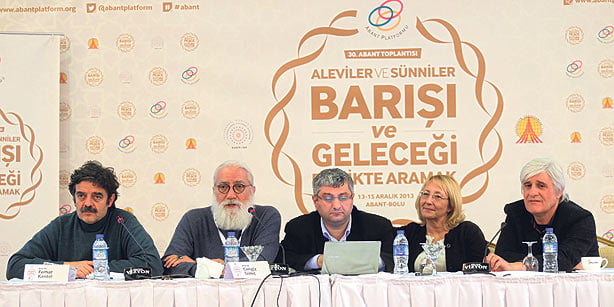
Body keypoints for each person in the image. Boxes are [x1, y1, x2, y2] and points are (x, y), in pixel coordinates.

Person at [6, 160, 163, 280]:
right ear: (74, 199)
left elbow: (152, 265)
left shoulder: (123, 221)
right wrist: (68, 268)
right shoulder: (61, 226)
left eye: (97, 196)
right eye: (81, 195)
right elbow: (15, 266)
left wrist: (96, 269)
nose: (87, 203)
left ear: (110, 200)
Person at [162, 160, 281, 276]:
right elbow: (170, 265)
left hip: (252, 295)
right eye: (223, 187)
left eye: (239, 186)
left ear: (252, 191)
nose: (231, 195)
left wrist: (207, 267)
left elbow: (262, 263)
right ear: (214, 191)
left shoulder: (265, 217)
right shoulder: (193, 219)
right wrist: (208, 268)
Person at [486, 158, 599, 272]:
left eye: (541, 186)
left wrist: (520, 266)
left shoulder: (580, 219)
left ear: (559, 191)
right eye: (528, 185)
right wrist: (550, 262)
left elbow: (565, 260)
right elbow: (503, 255)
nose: (532, 192)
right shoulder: (515, 213)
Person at [278, 168, 394, 272]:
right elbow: (283, 259)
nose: (336, 205)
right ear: (315, 201)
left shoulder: (378, 226)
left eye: (343, 197)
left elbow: (393, 258)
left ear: (352, 198)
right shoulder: (298, 228)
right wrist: (318, 261)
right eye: (328, 198)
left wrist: (362, 260)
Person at [399, 175, 486, 272]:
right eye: (425, 194)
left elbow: (481, 273)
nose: (428, 201)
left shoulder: (467, 232)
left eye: (437, 196)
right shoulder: (410, 232)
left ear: (451, 205)